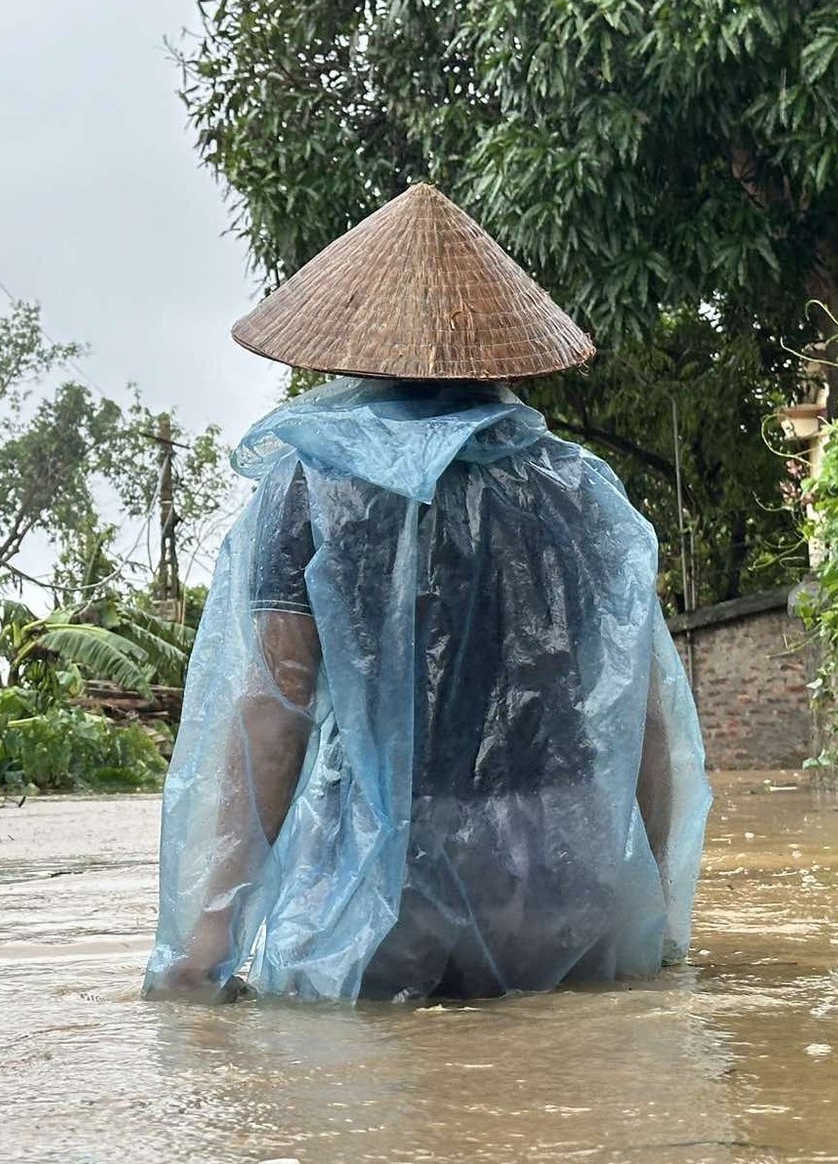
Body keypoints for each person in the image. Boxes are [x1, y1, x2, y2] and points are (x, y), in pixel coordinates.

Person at [144, 184, 710, 1003]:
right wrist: (647, 910)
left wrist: (202, 949)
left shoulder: (311, 484)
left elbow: (273, 714)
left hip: (380, 897)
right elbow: (646, 720)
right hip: (561, 888)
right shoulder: (579, 493)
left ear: (347, 342)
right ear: (498, 352)